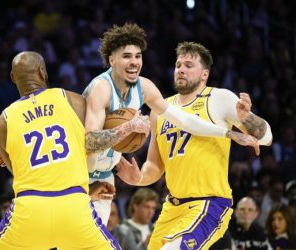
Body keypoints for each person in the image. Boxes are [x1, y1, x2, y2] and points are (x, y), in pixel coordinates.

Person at [83, 23, 261, 225]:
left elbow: (184, 120)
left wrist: (229, 134)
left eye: (137, 56)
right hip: (80, 175)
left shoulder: (144, 87)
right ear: (112, 60)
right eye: (126, 56)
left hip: (104, 179)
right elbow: (89, 141)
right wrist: (128, 127)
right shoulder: (101, 88)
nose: (134, 62)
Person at [117, 41, 273, 249]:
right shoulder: (161, 110)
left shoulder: (219, 98)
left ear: (204, 75)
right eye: (178, 65)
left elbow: (267, 138)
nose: (181, 69)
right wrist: (139, 178)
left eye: (189, 65)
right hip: (172, 208)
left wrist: (247, 120)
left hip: (209, 203)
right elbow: (155, 166)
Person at [0, 51, 120, 249]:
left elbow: (22, 174)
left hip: (30, 213)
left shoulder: (0, 126)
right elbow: (93, 143)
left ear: (12, 78)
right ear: (42, 72)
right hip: (74, 207)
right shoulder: (72, 100)